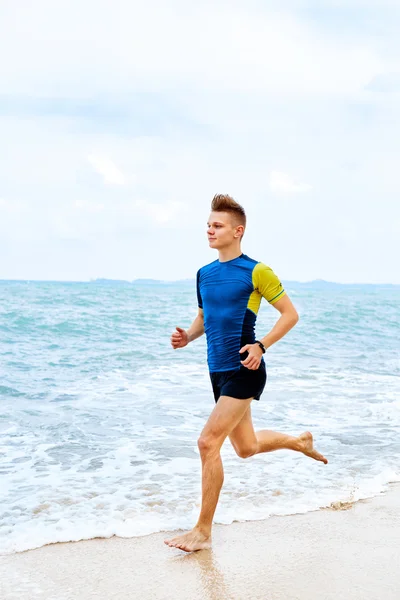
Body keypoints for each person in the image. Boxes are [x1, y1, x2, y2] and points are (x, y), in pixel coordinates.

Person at [164, 194, 327, 553]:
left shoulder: (257, 270)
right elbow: (206, 317)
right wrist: (187, 338)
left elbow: (289, 314)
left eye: (217, 225)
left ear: (238, 231)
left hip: (245, 367)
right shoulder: (204, 274)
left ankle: (203, 531)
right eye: (208, 224)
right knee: (245, 447)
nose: (210, 229)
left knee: (208, 443)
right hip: (217, 372)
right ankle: (299, 442)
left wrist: (261, 346)